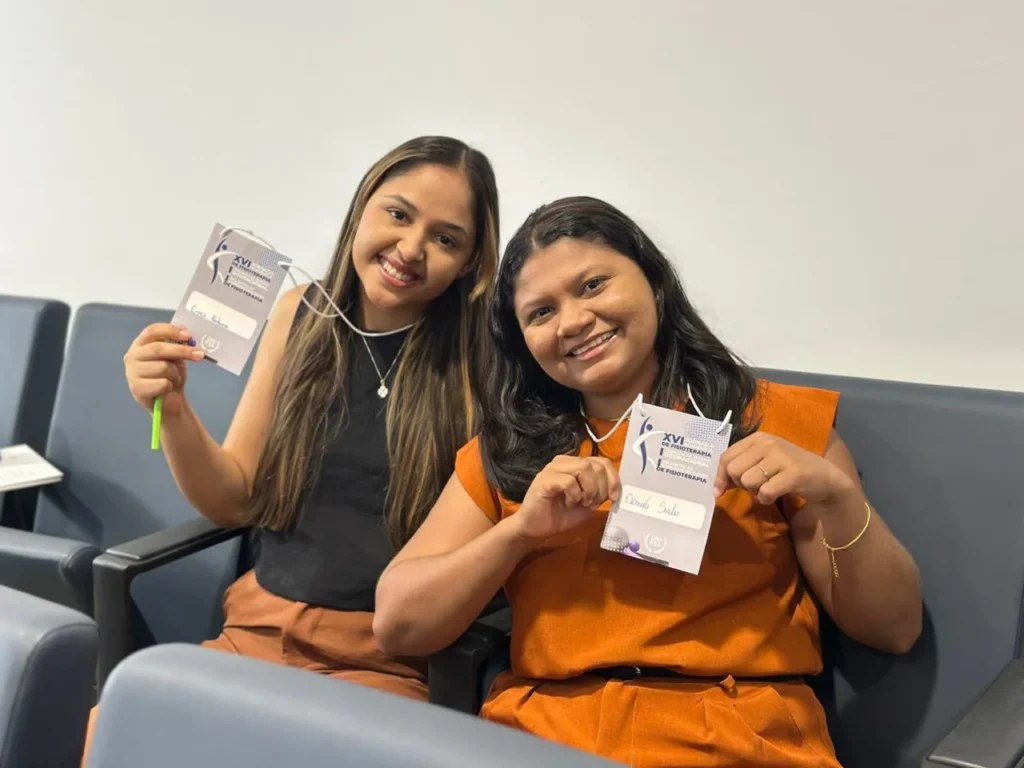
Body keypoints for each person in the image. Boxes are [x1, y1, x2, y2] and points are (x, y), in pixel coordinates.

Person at [374, 196, 922, 767]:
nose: (573, 321)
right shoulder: (508, 452)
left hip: (740, 739)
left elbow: (895, 629)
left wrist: (838, 497)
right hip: (546, 738)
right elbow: (398, 626)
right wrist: (518, 535)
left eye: (592, 286)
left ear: (653, 281)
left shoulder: (770, 422)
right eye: (540, 313)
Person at [82, 136, 500, 763]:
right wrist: (173, 410)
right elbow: (235, 499)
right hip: (252, 631)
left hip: (385, 665)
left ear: (469, 262)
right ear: (361, 208)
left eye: (445, 238)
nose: (411, 248)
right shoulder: (299, 313)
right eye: (398, 214)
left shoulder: (480, 360)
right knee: (110, 737)